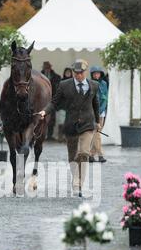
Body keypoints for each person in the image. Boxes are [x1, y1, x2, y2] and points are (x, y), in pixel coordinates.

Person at [40, 59, 100, 197]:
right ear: (73, 72)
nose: (78, 75)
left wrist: (97, 121)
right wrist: (45, 111)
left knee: (84, 153)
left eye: (81, 73)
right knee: (73, 156)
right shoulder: (64, 85)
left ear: (85, 72)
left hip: (87, 124)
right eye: (76, 73)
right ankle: (76, 179)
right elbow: (54, 102)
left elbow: (95, 104)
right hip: (71, 125)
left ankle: (78, 184)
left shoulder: (94, 85)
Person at [89, 66, 108, 163]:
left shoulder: (104, 84)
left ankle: (91, 155)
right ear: (92, 74)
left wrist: (101, 109)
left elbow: (105, 97)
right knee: (97, 133)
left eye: (98, 73)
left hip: (101, 112)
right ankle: (100, 155)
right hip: (93, 111)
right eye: (94, 73)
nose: (96, 75)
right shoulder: (89, 83)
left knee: (97, 133)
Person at [41, 61, 61, 140]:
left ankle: (50, 135)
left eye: (48, 67)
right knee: (42, 117)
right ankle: (42, 135)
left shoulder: (56, 77)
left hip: (52, 99)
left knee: (52, 118)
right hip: (42, 100)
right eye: (45, 67)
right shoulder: (40, 76)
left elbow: (58, 88)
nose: (46, 68)